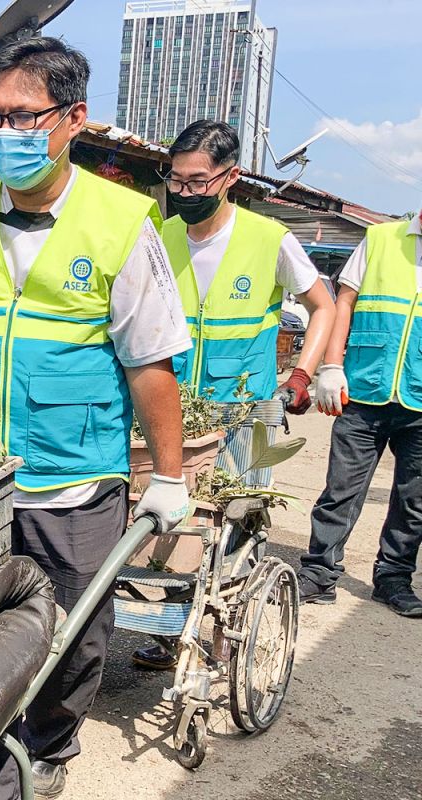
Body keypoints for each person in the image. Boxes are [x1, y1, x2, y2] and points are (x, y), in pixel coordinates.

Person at [0, 38, 191, 800]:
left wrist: (170, 478)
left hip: (76, 471)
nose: (4, 135)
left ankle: (48, 749)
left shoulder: (122, 220)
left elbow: (149, 362)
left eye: (23, 117)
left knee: (73, 632)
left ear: (72, 119)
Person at [132, 119, 335, 670]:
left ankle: (227, 636)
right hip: (176, 408)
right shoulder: (159, 236)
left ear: (230, 176)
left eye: (198, 182)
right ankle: (172, 632)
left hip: (247, 411)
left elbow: (324, 306)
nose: (185, 194)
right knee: (172, 523)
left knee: (238, 524)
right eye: (176, 181)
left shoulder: (270, 239)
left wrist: (303, 372)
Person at [298, 213, 422, 617]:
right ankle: (319, 573)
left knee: (413, 500)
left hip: (419, 399)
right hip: (364, 390)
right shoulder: (381, 239)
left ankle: (393, 578)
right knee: (342, 489)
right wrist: (332, 366)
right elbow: (344, 303)